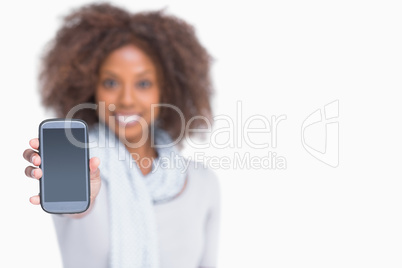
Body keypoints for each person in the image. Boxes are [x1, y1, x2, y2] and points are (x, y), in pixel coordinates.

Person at [22, 3, 220, 268]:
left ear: (167, 91)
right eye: (111, 82)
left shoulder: (201, 182)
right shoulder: (80, 166)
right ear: (91, 89)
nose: (126, 99)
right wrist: (81, 199)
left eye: (143, 83)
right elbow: (75, 211)